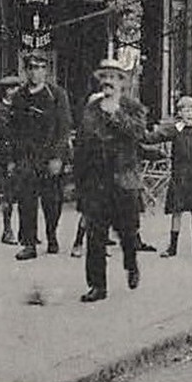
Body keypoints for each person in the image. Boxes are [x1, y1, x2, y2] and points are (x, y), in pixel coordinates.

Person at [71, 59, 146, 302]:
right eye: (104, 77)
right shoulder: (91, 109)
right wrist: (79, 182)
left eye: (113, 77)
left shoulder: (132, 107)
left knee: (127, 232)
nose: (108, 81)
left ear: (122, 83)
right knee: (95, 235)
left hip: (123, 180)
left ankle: (131, 263)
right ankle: (97, 286)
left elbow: (138, 133)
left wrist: (116, 114)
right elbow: (82, 143)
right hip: (96, 181)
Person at [8, 51, 73, 260]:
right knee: (26, 201)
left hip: (50, 156)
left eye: (39, 68)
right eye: (31, 68)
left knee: (52, 201)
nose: (35, 72)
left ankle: (52, 234)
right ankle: (29, 244)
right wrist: (12, 159)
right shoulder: (19, 97)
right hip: (27, 156)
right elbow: (13, 129)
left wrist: (57, 157)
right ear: (26, 71)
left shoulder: (56, 95)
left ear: (46, 70)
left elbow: (64, 128)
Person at [150, 96, 192, 258]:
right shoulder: (175, 129)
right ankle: (172, 247)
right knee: (176, 211)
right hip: (180, 176)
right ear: (179, 112)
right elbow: (153, 137)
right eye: (186, 110)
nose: (190, 113)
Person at [0, 73, 21, 245]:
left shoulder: (19, 107)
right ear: (6, 91)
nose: (16, 91)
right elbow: (6, 135)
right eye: (13, 88)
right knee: (7, 195)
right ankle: (7, 230)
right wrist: (10, 160)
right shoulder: (0, 109)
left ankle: (26, 230)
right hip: (6, 156)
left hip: (20, 155)